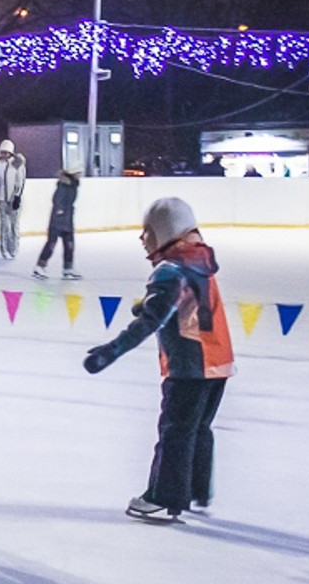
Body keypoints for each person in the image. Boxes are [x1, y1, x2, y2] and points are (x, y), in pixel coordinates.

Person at [82, 197, 235, 523]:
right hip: (218, 360)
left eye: (147, 231)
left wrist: (110, 351)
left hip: (189, 364)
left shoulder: (170, 270)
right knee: (198, 428)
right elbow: (188, 307)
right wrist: (151, 307)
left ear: (164, 232)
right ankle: (195, 489)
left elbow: (151, 320)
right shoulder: (199, 259)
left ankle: (165, 499)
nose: (142, 239)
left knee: (175, 431)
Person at [32, 169, 81, 280]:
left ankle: (68, 268)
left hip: (68, 219)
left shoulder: (73, 185)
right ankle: (40, 266)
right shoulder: (63, 185)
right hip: (58, 220)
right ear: (72, 174)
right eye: (78, 172)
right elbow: (56, 200)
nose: (80, 175)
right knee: (51, 244)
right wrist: (60, 211)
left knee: (69, 245)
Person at [0, 138, 26, 259]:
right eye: (2, 152)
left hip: (14, 199)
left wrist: (17, 197)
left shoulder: (17, 164)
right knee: (4, 225)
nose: (4, 154)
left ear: (11, 152)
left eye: (6, 152)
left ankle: (14, 248)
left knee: (14, 225)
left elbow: (20, 182)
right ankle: (4, 249)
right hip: (2, 198)